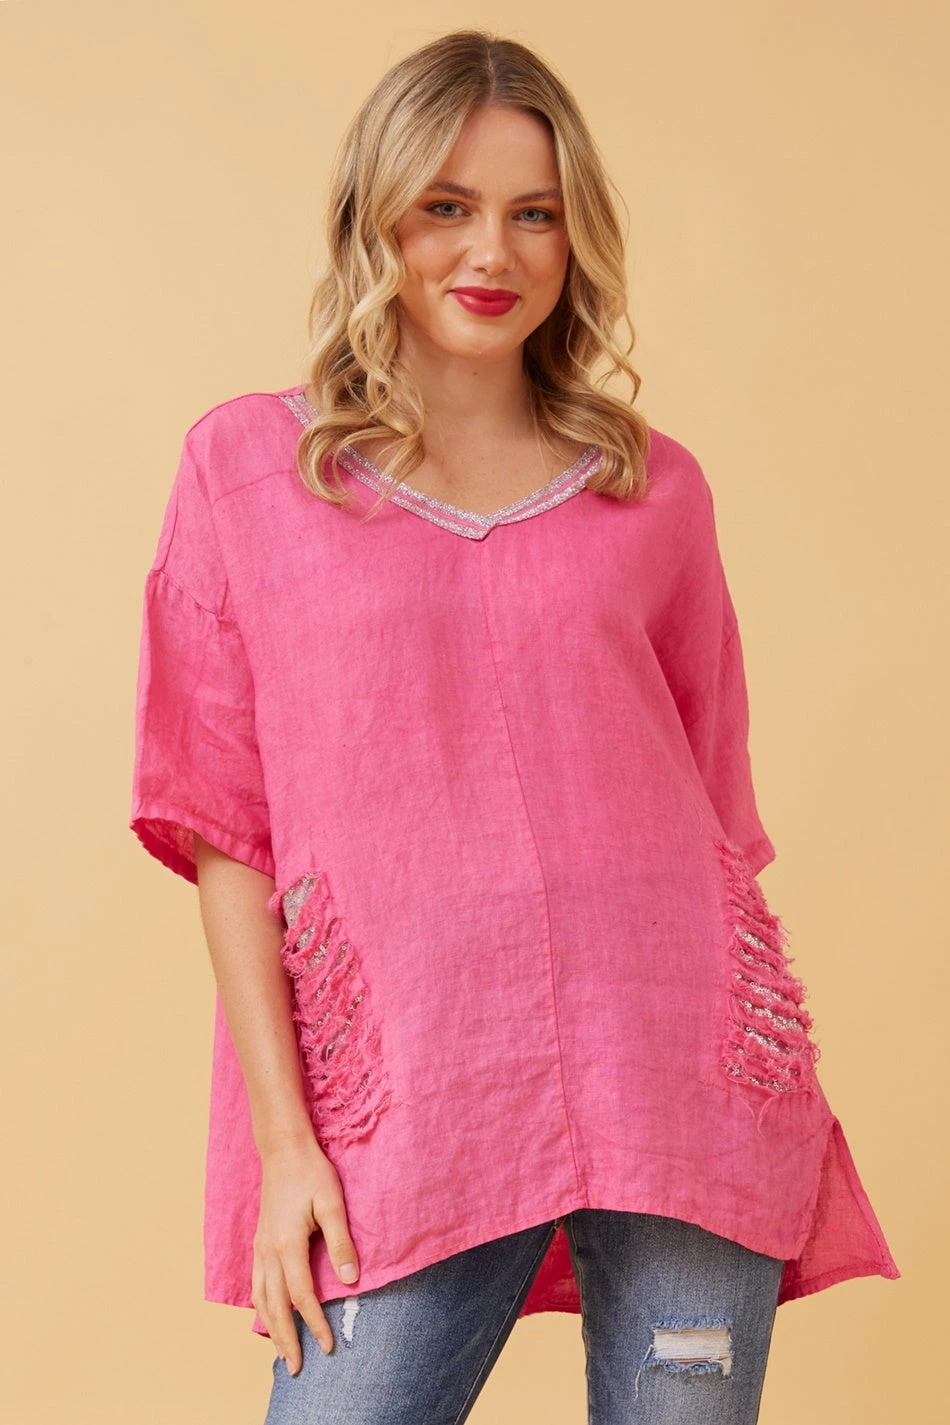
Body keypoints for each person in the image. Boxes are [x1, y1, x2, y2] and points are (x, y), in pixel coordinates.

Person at [129, 28, 899, 1425]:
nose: (491, 251)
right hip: (416, 1101)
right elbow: (222, 825)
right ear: (377, 217)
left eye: (533, 213)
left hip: (677, 1085)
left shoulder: (652, 490)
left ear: (573, 234)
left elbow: (709, 804)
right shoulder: (248, 471)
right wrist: (288, 1147)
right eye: (447, 205)